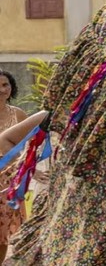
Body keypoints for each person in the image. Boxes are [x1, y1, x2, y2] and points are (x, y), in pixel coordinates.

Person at [0, 69, 27, 263]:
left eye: (5, 85)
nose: (1, 90)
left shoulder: (19, 114)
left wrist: (31, 171)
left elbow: (31, 146)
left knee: (3, 234)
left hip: (8, 183)